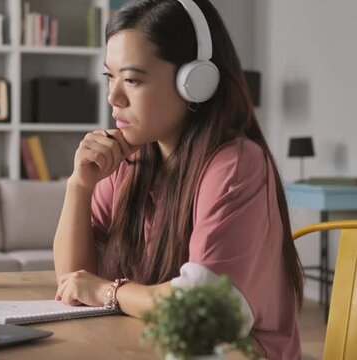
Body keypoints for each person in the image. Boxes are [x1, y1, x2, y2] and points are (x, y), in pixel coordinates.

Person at [53, 0, 302, 358]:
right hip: (153, 345)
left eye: (133, 80)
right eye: (110, 77)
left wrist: (108, 292)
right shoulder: (129, 160)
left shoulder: (235, 166)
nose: (113, 97)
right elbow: (74, 282)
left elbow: (204, 310)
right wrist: (79, 186)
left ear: (195, 82)